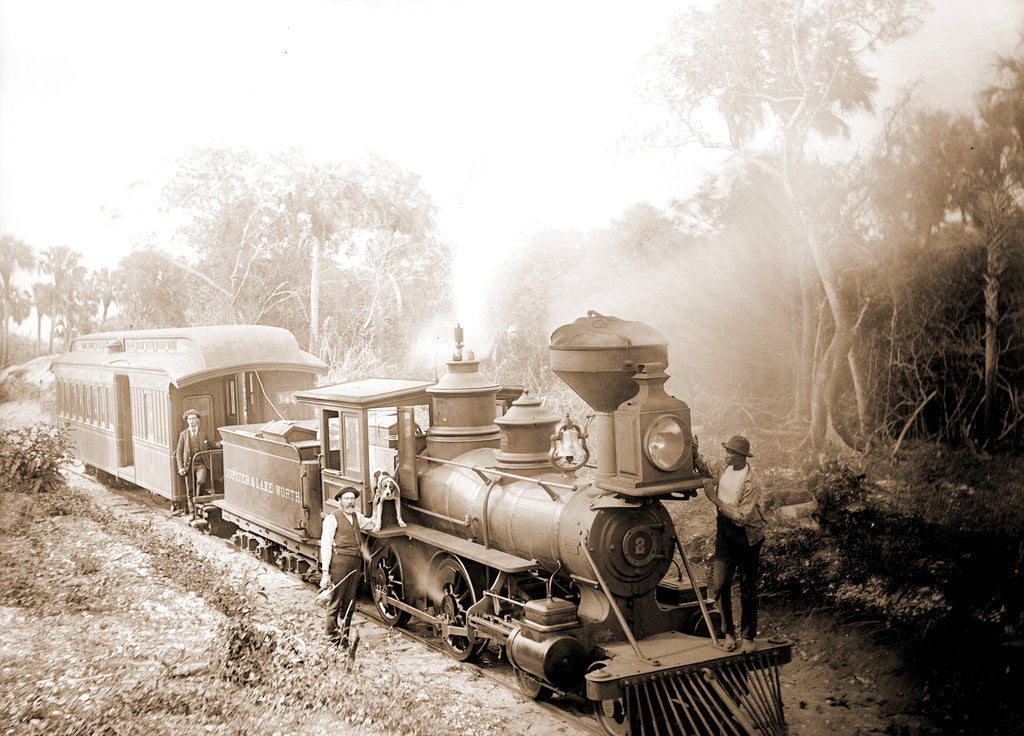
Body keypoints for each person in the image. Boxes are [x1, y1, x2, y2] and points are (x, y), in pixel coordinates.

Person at [702, 434, 766, 654]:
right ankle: (728, 632)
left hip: (747, 535)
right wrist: (692, 452)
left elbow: (741, 516)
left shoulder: (752, 481)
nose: (727, 455)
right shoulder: (723, 466)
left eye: (732, 453)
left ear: (743, 457)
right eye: (727, 451)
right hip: (725, 532)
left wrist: (715, 500)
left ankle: (748, 635)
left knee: (748, 587)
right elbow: (705, 466)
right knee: (720, 584)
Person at [320, 487, 378, 646]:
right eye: (346, 498)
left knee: (349, 603)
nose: (350, 502)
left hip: (355, 563)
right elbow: (325, 546)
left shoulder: (357, 517)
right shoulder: (332, 519)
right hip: (340, 563)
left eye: (352, 499)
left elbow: (372, 524)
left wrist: (378, 504)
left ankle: (344, 637)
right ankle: (331, 637)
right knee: (335, 602)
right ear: (339, 501)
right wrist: (325, 572)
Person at [174, 409, 220, 518]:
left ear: (198, 420)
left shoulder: (204, 432)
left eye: (194, 418)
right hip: (188, 466)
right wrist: (180, 467)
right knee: (189, 490)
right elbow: (179, 452)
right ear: (187, 421)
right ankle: (192, 513)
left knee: (201, 481)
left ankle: (198, 501)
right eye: (190, 419)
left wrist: (220, 443)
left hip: (201, 464)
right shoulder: (183, 435)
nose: (192, 421)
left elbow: (212, 443)